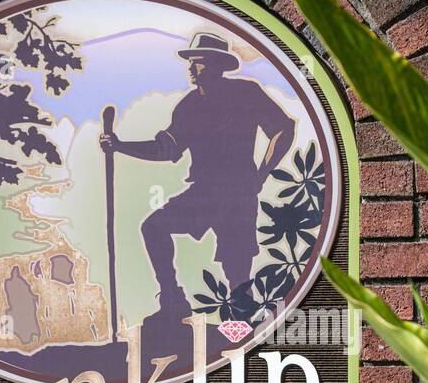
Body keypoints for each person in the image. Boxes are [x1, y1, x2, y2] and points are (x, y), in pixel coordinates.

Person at [99, 31, 295, 327]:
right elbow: (167, 149)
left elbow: (283, 128)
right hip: (203, 192)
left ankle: (243, 318)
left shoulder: (246, 93)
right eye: (190, 62)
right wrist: (120, 145)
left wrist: (261, 174)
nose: (191, 68)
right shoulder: (189, 106)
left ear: (217, 64)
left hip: (238, 191)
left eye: (199, 62)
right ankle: (173, 301)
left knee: (236, 262)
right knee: (154, 227)